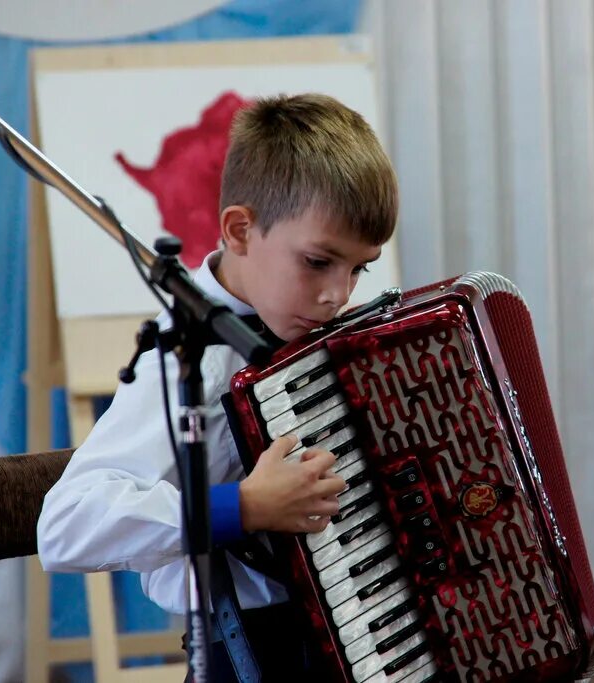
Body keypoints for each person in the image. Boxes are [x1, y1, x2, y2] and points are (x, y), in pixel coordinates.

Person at [37, 93, 399, 680]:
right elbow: (67, 523)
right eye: (317, 262)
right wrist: (243, 506)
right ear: (238, 230)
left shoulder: (320, 329)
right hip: (249, 656)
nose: (339, 296)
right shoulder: (186, 356)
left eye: (359, 269)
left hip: (363, 636)